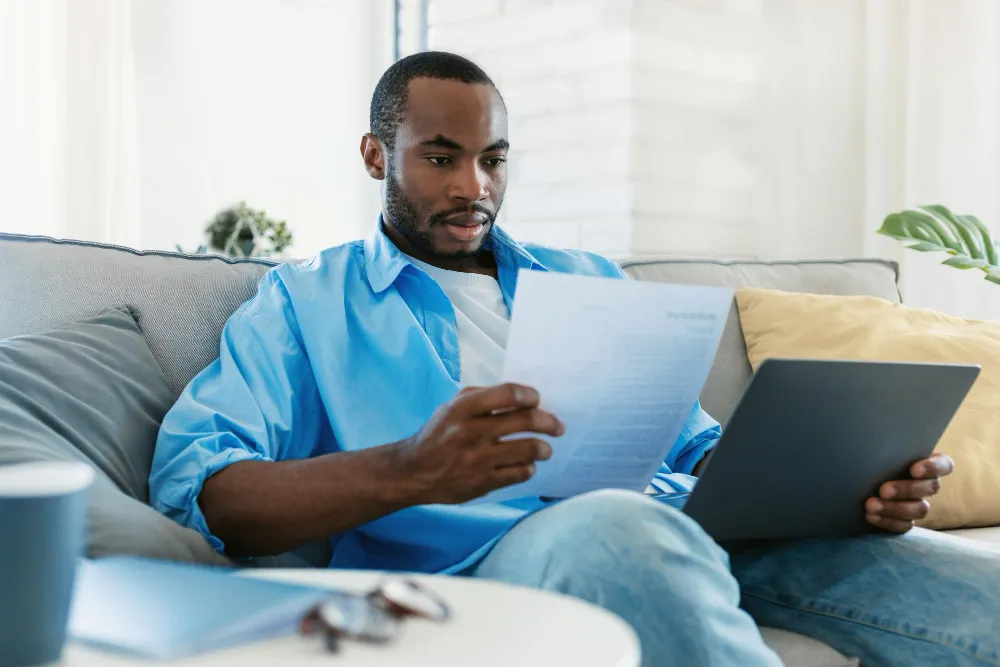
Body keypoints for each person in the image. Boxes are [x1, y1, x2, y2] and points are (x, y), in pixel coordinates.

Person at [150, 51, 998, 667]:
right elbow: (201, 487)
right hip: (489, 556)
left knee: (975, 595)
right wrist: (410, 469)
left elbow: (691, 445)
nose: (472, 187)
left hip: (690, 525)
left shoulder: (584, 277)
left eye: (492, 160)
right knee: (622, 529)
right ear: (377, 156)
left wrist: (843, 485)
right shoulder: (306, 301)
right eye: (440, 157)